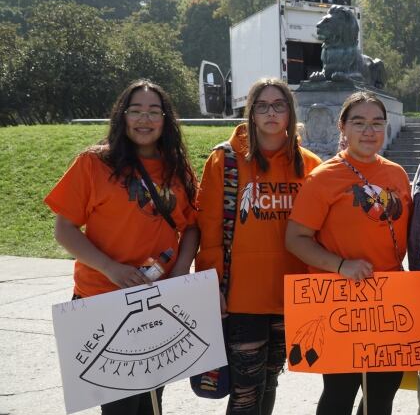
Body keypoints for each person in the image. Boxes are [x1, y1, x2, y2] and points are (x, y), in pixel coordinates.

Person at [44, 79, 199, 415]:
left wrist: (182, 269)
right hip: (102, 299)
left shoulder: (177, 167)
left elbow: (191, 227)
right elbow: (64, 229)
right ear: (122, 116)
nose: (145, 120)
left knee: (153, 402)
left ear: (165, 119)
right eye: (136, 111)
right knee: (119, 407)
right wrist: (111, 268)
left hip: (158, 300)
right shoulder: (93, 163)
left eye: (154, 112)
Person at [195, 79, 321, 414]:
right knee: (245, 391)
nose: (271, 112)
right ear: (250, 112)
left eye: (279, 105)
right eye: (262, 105)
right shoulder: (224, 161)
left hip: (290, 294)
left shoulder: (310, 165)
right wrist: (210, 286)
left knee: (270, 381)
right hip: (241, 297)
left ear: (290, 112)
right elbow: (208, 231)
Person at [286, 91, 411, 415]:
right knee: (340, 393)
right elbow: (296, 239)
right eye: (359, 123)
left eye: (376, 123)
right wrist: (341, 265)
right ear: (343, 127)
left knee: (382, 394)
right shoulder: (323, 177)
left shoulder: (397, 175)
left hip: (388, 301)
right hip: (340, 299)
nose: (368, 131)